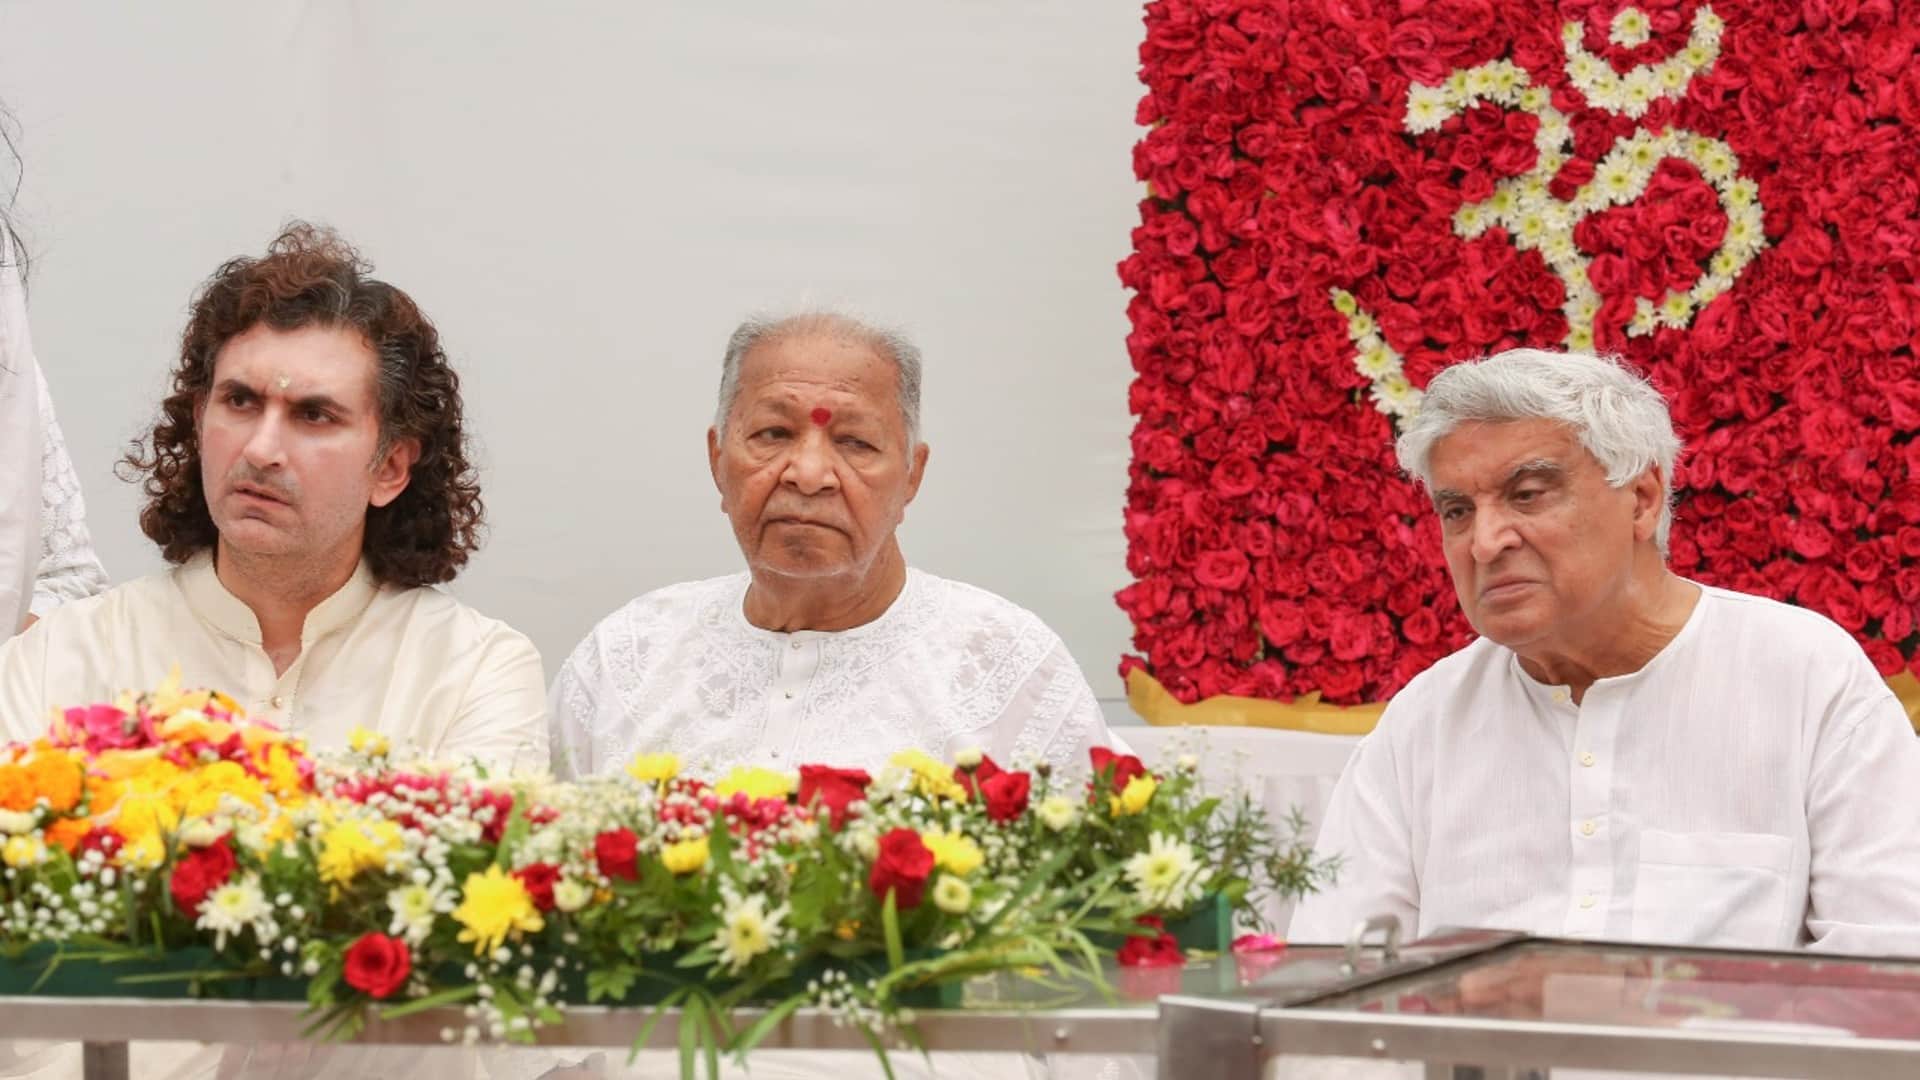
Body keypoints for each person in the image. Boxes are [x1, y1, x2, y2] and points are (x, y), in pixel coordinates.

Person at [1289, 348, 1920, 957]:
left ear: (1642, 499)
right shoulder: (1423, 723)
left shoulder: (1805, 679)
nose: (1484, 542)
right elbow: (1332, 984)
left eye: (1528, 493)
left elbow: (1890, 971)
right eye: (1456, 510)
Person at [0, 223, 547, 771]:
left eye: (314, 415)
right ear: (198, 420)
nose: (261, 450)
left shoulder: (472, 671)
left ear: (392, 466)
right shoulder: (61, 659)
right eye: (239, 401)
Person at [549, 311, 1117, 781]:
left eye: (854, 442)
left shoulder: (1004, 664)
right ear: (716, 457)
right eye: (773, 434)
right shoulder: (629, 657)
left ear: (913, 476)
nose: (810, 472)